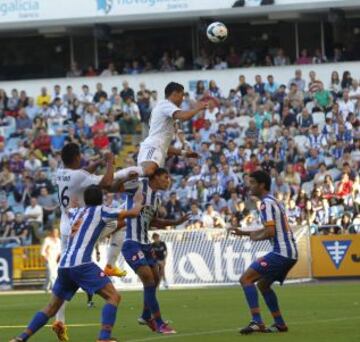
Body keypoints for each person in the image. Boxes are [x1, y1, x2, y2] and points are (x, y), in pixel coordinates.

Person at [10, 185, 142, 342]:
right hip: (82, 264)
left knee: (51, 307)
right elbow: (133, 214)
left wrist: (73, 201)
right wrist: (139, 201)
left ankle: (21, 337)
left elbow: (69, 209)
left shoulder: (76, 213)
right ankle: (104, 338)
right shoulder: (101, 210)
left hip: (65, 265)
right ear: (101, 199)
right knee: (113, 297)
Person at [52, 143, 125, 341]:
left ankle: (60, 320)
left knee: (65, 278)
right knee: (122, 224)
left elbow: (82, 174)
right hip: (82, 226)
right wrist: (109, 162)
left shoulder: (60, 173)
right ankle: (110, 265)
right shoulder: (79, 176)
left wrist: (98, 162)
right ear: (76, 157)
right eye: (81, 156)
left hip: (66, 227)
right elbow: (107, 183)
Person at [120, 168, 190, 334]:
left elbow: (154, 222)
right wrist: (126, 178)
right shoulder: (139, 185)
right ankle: (159, 322)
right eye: (166, 177)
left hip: (145, 243)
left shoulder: (156, 199)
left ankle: (145, 315)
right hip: (132, 243)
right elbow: (115, 187)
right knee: (149, 280)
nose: (168, 181)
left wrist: (176, 221)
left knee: (156, 278)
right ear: (156, 176)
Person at [230, 170, 298, 334]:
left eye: (252, 182)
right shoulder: (273, 201)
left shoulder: (265, 203)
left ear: (262, 185)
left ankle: (257, 322)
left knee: (246, 279)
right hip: (290, 252)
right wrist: (245, 233)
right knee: (263, 285)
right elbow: (268, 229)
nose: (249, 186)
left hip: (282, 252)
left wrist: (254, 237)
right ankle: (280, 323)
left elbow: (269, 233)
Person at [115, 82, 205, 179]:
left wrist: (185, 153)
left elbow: (166, 146)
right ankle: (115, 176)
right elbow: (184, 116)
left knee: (149, 182)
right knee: (148, 171)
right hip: (152, 146)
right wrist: (197, 108)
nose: (182, 99)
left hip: (155, 147)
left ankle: (117, 181)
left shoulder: (165, 113)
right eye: (181, 95)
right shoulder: (166, 105)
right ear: (174, 94)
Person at [41, 228, 61, 292]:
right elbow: (42, 250)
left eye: (57, 232)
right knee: (51, 274)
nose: (56, 234)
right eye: (54, 232)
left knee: (51, 274)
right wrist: (46, 257)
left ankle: (46, 287)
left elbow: (60, 251)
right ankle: (54, 288)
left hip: (56, 260)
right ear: (51, 233)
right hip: (49, 259)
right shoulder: (47, 240)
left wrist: (59, 259)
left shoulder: (58, 240)